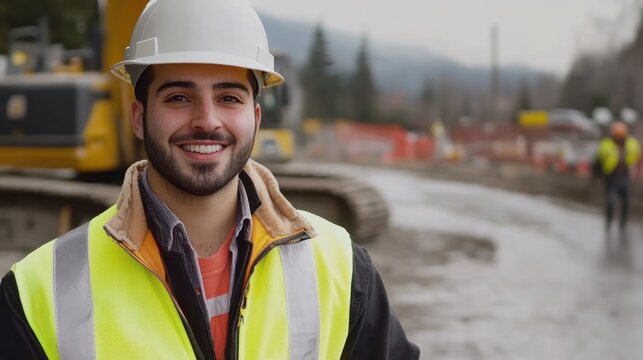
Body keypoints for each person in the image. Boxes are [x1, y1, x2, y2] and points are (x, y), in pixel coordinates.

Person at [0, 0, 419, 359]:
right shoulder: (37, 292)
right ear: (140, 117)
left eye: (229, 97)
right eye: (179, 97)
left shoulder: (343, 270)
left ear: (255, 117)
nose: (207, 121)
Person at [596, 121, 640, 232]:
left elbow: (637, 154)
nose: (619, 137)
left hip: (624, 175)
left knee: (626, 201)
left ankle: (623, 224)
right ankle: (609, 221)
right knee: (610, 200)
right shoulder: (606, 143)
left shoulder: (631, 143)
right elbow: (600, 158)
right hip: (611, 175)